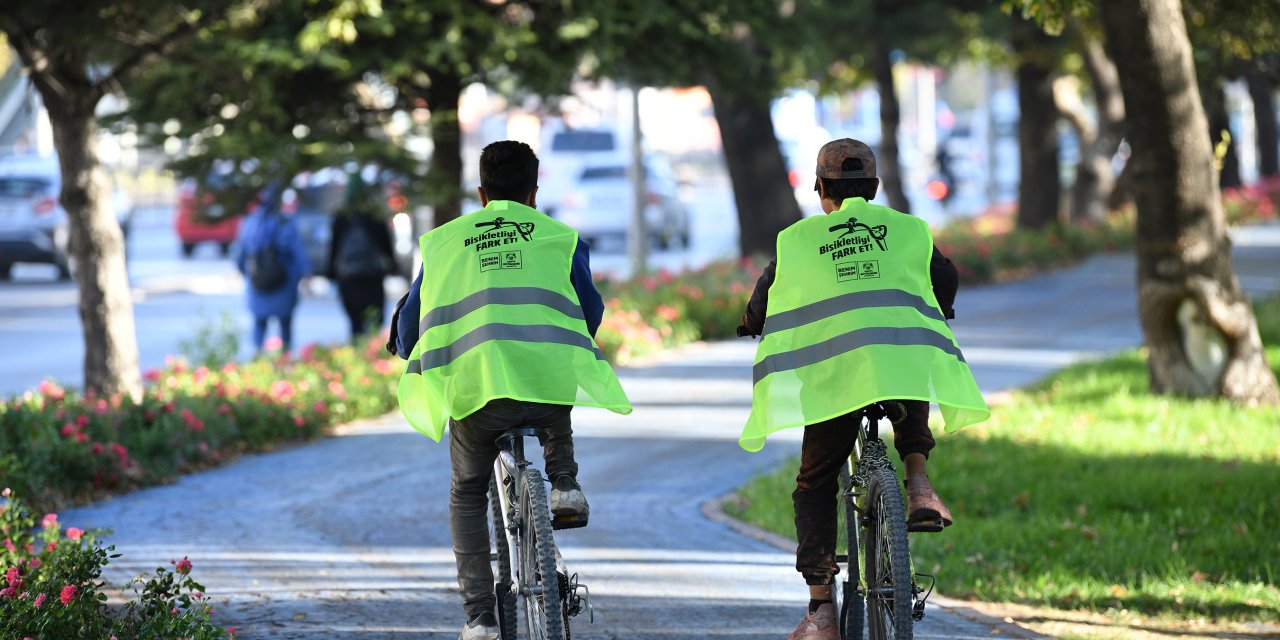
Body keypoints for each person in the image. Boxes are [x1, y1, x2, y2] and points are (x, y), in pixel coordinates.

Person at [737, 139, 989, 640]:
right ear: (873, 188)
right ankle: (918, 485)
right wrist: (938, 308)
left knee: (815, 483)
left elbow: (764, 296)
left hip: (834, 380)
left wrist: (751, 322)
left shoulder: (799, 240)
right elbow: (946, 277)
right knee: (905, 352)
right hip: (900, 367)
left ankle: (820, 612)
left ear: (822, 189)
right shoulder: (909, 229)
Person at [389, 140, 632, 640]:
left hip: (478, 398)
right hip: (543, 389)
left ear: (481, 192)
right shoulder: (560, 238)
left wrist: (401, 343)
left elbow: (412, 329)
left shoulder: (443, 242)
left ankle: (480, 618)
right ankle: (563, 482)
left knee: (466, 491)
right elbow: (589, 315)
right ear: (533, 192)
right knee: (551, 375)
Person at [235, 182, 311, 356]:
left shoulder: (251, 222)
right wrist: (306, 273)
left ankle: (258, 356)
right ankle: (285, 356)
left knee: (259, 322)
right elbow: (297, 251)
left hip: (258, 281)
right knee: (285, 323)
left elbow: (241, 250)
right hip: (285, 280)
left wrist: (241, 269)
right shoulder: (286, 222)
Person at [328, 174, 396, 341]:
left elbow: (333, 246)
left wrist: (330, 272)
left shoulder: (341, 215)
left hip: (349, 276)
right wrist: (393, 266)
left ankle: (357, 351)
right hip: (372, 275)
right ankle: (372, 354)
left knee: (355, 322)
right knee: (374, 319)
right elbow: (386, 245)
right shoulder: (374, 214)